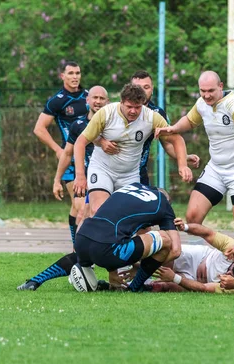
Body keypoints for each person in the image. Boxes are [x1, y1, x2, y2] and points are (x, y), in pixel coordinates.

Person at [155, 71, 234, 239]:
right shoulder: (202, 104)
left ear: (220, 86)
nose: (206, 95)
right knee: (192, 218)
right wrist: (173, 128)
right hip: (216, 169)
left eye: (211, 91)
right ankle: (222, 253)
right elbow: (191, 120)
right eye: (203, 91)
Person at [72, 83, 191, 216]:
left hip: (129, 174)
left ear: (143, 104)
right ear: (121, 102)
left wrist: (183, 165)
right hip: (102, 169)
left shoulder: (151, 117)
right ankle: (85, 236)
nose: (133, 111)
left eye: (137, 107)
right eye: (129, 107)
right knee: (99, 211)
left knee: (132, 219)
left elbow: (177, 139)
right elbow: (80, 143)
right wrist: (80, 176)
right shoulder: (106, 114)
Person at [93, 70, 199, 185]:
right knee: (93, 202)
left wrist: (184, 158)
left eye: (146, 87)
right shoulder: (113, 110)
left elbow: (168, 144)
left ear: (152, 89)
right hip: (107, 169)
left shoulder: (156, 115)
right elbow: (89, 135)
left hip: (137, 173)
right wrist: (101, 141)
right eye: (138, 87)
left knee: (157, 198)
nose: (142, 91)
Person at [74, 183, 181, 292]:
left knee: (117, 235)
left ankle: (111, 282)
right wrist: (143, 267)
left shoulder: (132, 186)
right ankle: (134, 287)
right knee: (164, 239)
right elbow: (176, 251)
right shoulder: (162, 203)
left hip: (81, 241)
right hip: (107, 250)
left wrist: (113, 271)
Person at [33, 61, 88, 245]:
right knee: (82, 207)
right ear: (62, 76)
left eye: (77, 73)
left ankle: (77, 245)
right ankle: (79, 249)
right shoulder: (57, 100)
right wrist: (58, 149)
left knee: (78, 206)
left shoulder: (90, 98)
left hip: (93, 158)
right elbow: (39, 129)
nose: (75, 77)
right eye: (71, 73)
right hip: (71, 160)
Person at [52, 85, 109, 239]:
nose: (98, 101)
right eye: (95, 98)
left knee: (99, 214)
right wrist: (57, 180)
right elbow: (67, 153)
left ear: (107, 101)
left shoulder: (112, 125)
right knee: (82, 210)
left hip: (107, 177)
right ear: (87, 100)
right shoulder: (78, 125)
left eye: (101, 98)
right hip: (83, 177)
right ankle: (78, 252)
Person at [152, 218, 234, 293]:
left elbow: (204, 288)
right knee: (165, 254)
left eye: (230, 276)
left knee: (163, 286)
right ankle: (136, 262)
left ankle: (142, 285)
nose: (224, 276)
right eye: (228, 271)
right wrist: (185, 227)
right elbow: (208, 233)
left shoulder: (233, 286)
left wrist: (174, 277)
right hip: (198, 258)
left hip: (194, 281)